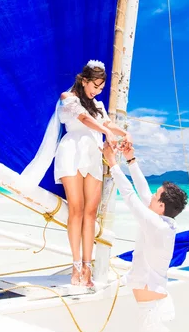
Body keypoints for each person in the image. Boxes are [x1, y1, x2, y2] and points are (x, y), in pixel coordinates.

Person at [55, 60, 132, 287]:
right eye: (95, 86)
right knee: (76, 209)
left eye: (101, 87)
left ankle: (88, 268)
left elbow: (108, 124)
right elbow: (84, 119)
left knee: (90, 213)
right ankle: (75, 266)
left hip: (92, 158)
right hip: (72, 153)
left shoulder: (97, 105)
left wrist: (125, 134)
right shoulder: (68, 98)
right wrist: (107, 130)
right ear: (84, 80)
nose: (97, 91)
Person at [103, 141, 187, 332]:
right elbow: (142, 191)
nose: (150, 196)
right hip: (155, 307)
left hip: (154, 312)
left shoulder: (156, 225)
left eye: (156, 195)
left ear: (161, 206)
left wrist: (113, 163)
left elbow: (130, 195)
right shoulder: (162, 220)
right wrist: (131, 160)